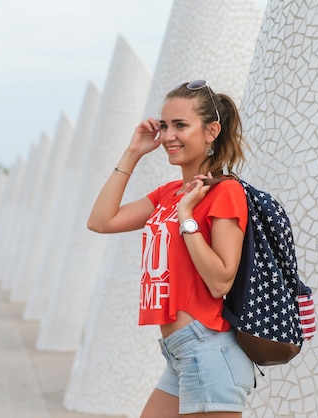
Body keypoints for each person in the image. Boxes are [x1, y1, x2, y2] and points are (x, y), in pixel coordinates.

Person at [87, 80, 255, 417]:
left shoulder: (224, 193)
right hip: (180, 351)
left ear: (211, 131)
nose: (167, 136)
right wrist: (133, 151)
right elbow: (101, 221)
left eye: (180, 125)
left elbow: (221, 280)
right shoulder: (168, 193)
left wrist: (187, 218)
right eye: (164, 126)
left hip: (207, 349)